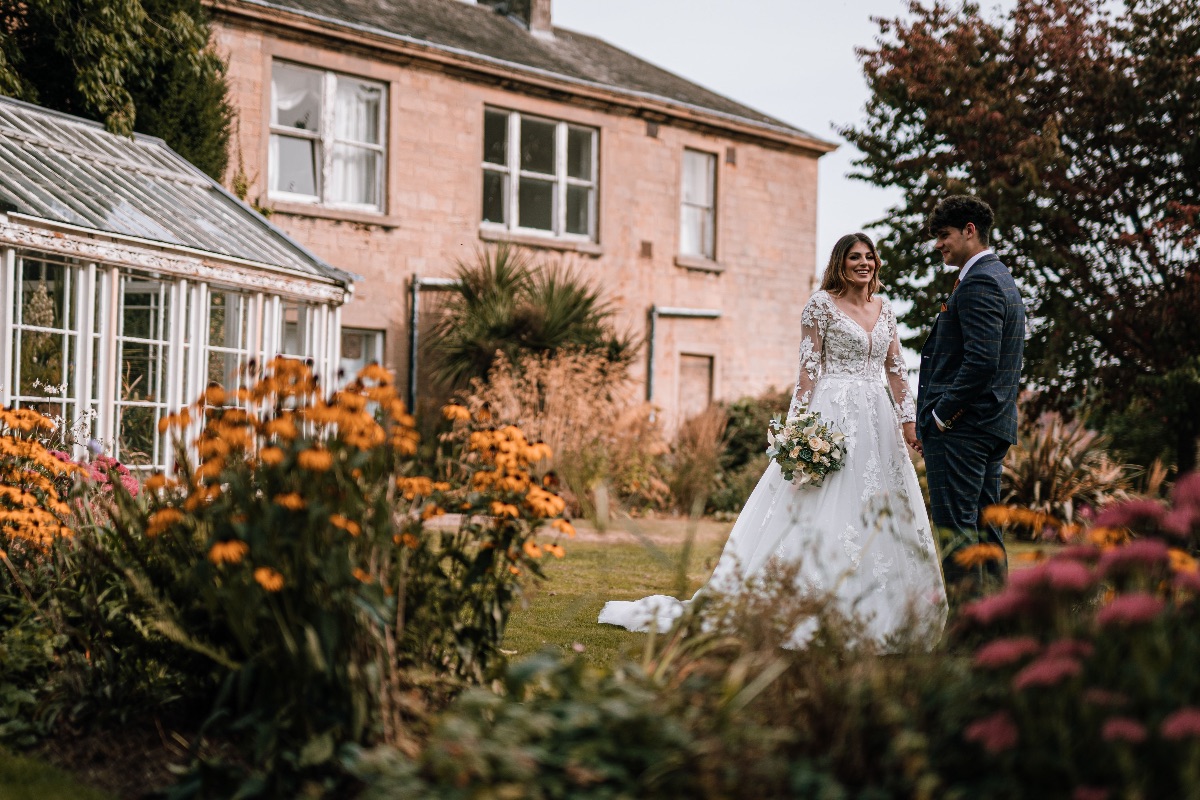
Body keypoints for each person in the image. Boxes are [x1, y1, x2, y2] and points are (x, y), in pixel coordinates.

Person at [598, 233, 947, 648]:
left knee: (882, 504)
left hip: (878, 421)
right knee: (821, 501)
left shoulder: (885, 308)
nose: (864, 263)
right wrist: (797, 435)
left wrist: (909, 421)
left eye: (869, 257)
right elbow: (807, 375)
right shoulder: (820, 306)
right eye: (855, 257)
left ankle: (892, 611)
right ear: (840, 263)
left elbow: (896, 370)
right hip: (833, 414)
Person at [916, 195, 1025, 590]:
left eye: (944, 236)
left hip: (964, 430)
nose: (938, 245)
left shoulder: (979, 281)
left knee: (957, 532)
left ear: (969, 231)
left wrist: (941, 416)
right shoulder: (999, 277)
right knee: (984, 529)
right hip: (988, 426)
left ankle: (967, 631)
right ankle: (997, 627)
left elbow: (981, 362)